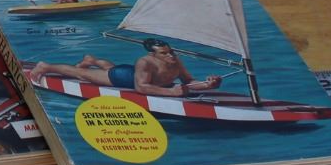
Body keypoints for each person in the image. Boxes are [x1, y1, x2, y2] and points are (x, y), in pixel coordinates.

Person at [22, 39, 224, 97]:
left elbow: (188, 81)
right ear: (152, 55)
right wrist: (171, 92)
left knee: (108, 66)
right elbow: (141, 88)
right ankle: (45, 66)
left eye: (170, 52)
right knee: (80, 73)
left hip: (131, 72)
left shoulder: (175, 60)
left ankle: (91, 59)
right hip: (121, 77)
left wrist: (207, 84)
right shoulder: (145, 62)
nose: (170, 55)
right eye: (164, 53)